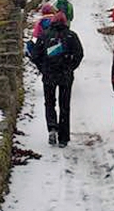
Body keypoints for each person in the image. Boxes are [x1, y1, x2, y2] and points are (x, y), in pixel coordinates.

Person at [30, 11, 83, 148]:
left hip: (49, 75)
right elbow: (79, 54)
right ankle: (63, 138)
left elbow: (35, 55)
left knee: (49, 103)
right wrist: (71, 67)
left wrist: (43, 68)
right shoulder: (71, 36)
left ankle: (52, 128)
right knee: (64, 105)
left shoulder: (44, 35)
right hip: (65, 75)